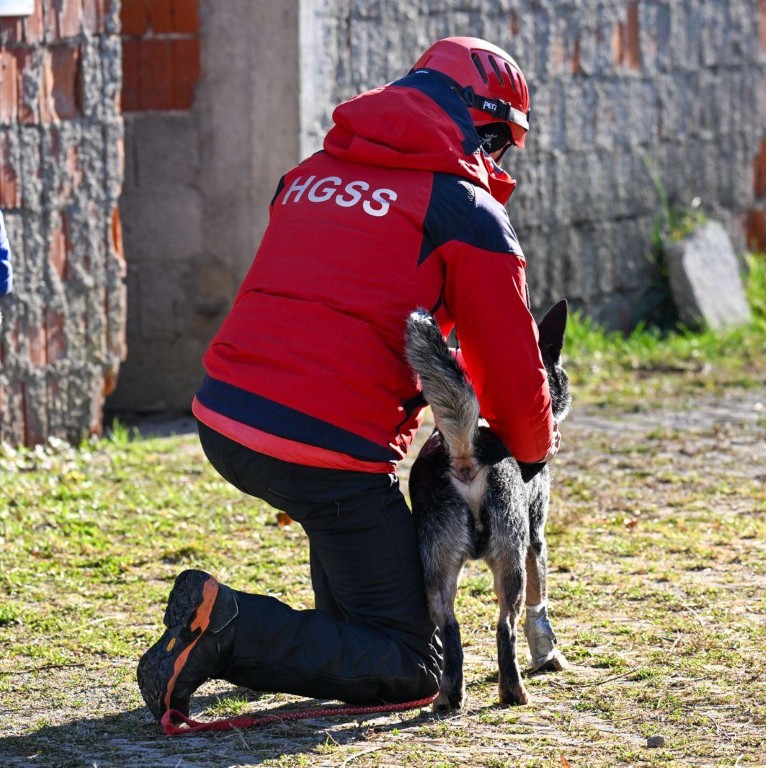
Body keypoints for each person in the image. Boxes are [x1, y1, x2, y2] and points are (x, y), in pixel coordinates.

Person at [136, 36, 559, 723]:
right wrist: (533, 453)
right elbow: (511, 377)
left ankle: (274, 630)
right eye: (502, 146)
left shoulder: (308, 173)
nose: (499, 163)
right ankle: (227, 627)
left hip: (223, 416)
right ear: (483, 130)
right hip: (324, 448)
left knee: (354, 592)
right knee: (411, 666)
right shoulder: (466, 212)